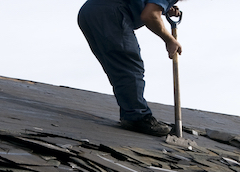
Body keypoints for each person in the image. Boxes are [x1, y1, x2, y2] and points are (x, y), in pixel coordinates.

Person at [78, 0, 183, 136]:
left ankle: (132, 113)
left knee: (119, 67)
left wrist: (164, 8)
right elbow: (150, 15)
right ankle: (137, 117)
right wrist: (169, 40)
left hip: (89, 12)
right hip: (109, 13)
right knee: (129, 66)